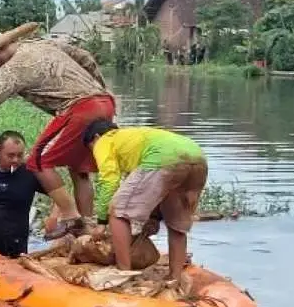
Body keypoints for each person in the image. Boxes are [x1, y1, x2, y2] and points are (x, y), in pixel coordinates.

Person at [0, 38, 114, 239]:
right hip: (104, 102)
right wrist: (99, 86)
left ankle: (72, 217)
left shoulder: (17, 65)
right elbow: (85, 57)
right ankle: (88, 228)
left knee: (37, 161)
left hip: (79, 108)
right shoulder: (41, 44)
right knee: (79, 170)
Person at [82, 120, 208, 281]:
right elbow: (157, 190)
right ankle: (174, 277)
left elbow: (109, 180)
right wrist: (154, 217)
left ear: (96, 137)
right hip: (197, 158)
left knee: (118, 213)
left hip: (163, 158)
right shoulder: (132, 138)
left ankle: (122, 272)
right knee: (177, 224)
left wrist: (101, 221)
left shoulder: (104, 141)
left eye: (91, 149)